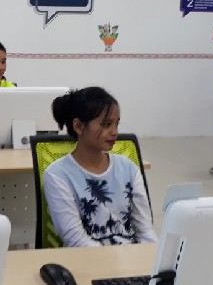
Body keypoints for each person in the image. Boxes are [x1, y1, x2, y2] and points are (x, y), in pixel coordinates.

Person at [43, 87, 156, 248]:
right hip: (90, 259)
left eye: (116, 124)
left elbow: (145, 231)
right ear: (78, 126)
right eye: (106, 124)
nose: (114, 132)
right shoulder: (57, 175)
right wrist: (119, 259)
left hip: (132, 257)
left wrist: (154, 257)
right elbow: (76, 240)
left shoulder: (129, 168)